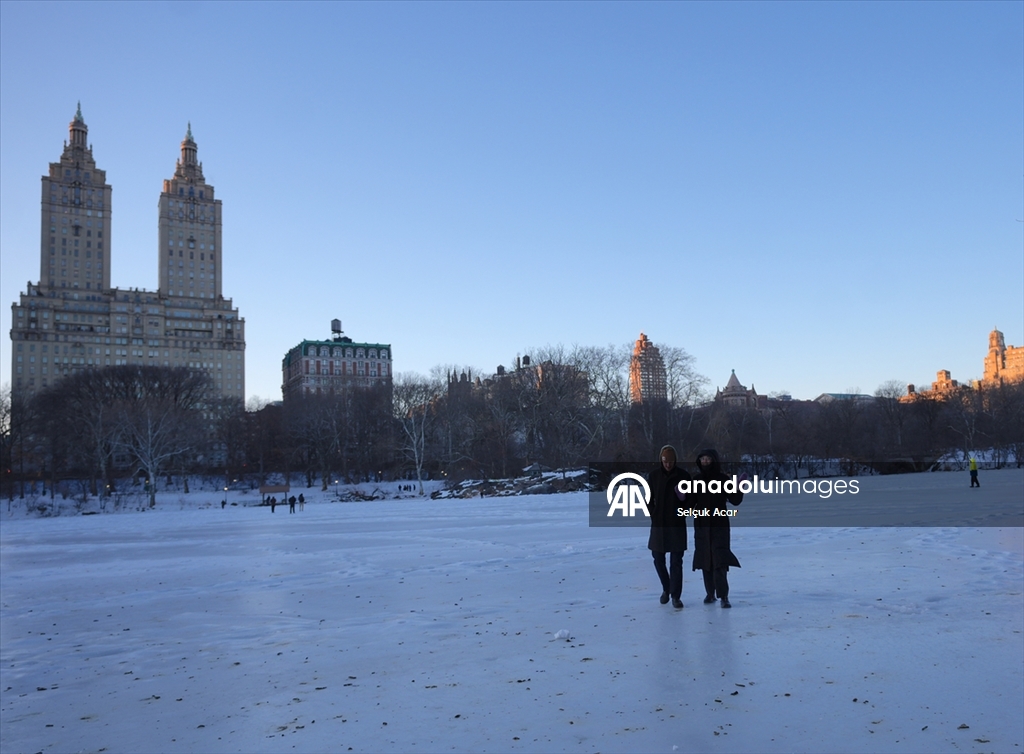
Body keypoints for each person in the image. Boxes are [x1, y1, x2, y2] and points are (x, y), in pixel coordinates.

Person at [690, 448, 744, 608]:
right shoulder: (696, 480)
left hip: (719, 525)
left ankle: (723, 596)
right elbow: (690, 504)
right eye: (702, 459)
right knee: (705, 560)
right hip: (701, 524)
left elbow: (734, 501)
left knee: (719, 561)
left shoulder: (722, 479)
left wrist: (738, 488)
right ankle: (710, 593)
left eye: (708, 459)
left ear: (714, 460)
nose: (705, 461)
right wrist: (681, 496)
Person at [648, 445, 692, 609]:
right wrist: (653, 513)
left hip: (676, 524)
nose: (668, 464)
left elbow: (690, 500)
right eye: (665, 461)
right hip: (659, 524)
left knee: (676, 562)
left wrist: (683, 507)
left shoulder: (683, 476)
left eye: (671, 461)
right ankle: (666, 588)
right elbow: (648, 498)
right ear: (661, 459)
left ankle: (676, 596)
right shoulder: (653, 476)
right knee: (658, 559)